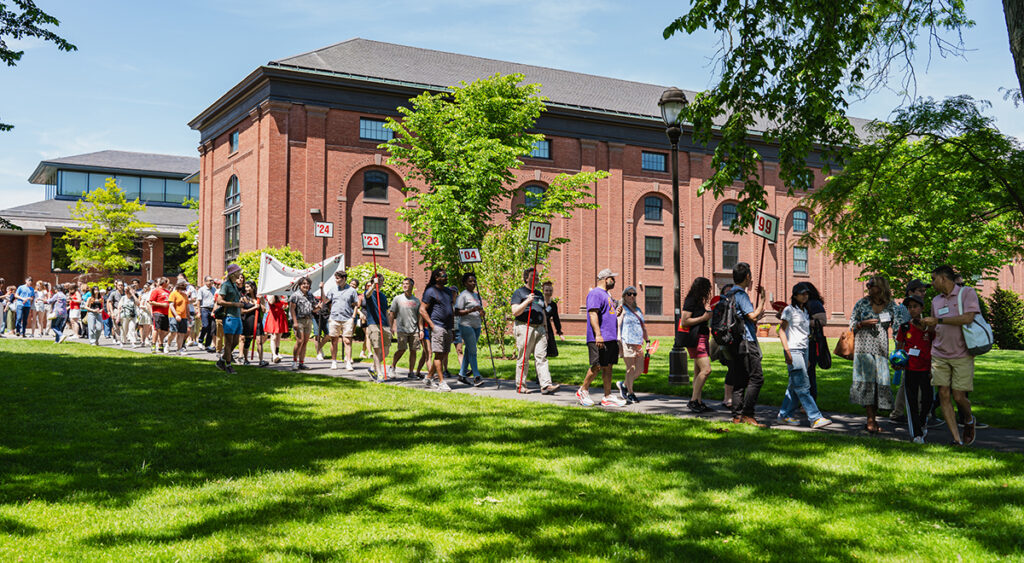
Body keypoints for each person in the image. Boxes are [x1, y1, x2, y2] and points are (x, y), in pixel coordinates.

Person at [920, 265, 981, 446]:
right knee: (944, 394)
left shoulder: (967, 293)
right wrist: (923, 324)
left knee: (959, 396)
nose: (932, 283)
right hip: (939, 353)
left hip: (962, 353)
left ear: (943, 279)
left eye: (933, 279)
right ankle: (956, 439)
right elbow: (933, 326)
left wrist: (938, 320)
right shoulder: (936, 301)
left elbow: (968, 318)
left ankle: (969, 420)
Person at [849, 275, 905, 434]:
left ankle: (873, 419)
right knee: (867, 384)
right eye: (868, 285)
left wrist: (898, 352)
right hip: (863, 350)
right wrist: (862, 324)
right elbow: (851, 324)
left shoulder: (891, 307)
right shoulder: (862, 303)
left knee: (878, 385)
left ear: (881, 287)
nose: (868, 288)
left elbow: (898, 331)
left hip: (880, 351)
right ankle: (870, 420)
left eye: (871, 285)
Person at [777, 283, 833, 429]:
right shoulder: (789, 310)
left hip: (804, 350)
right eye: (802, 294)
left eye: (806, 294)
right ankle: (815, 417)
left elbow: (805, 334)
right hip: (793, 349)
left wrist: (807, 357)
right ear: (795, 295)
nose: (805, 296)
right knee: (802, 385)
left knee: (794, 385)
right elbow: (781, 331)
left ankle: (784, 415)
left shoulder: (805, 311)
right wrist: (787, 352)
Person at [725, 263, 767, 426]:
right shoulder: (741, 295)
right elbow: (752, 315)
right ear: (748, 277)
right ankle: (748, 414)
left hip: (734, 342)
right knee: (757, 378)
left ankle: (736, 416)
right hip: (746, 341)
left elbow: (749, 318)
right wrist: (762, 299)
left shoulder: (729, 294)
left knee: (740, 379)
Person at [578, 269, 624, 407]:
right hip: (598, 337)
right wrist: (598, 335)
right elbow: (593, 314)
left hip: (610, 338)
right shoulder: (595, 293)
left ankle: (607, 396)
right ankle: (583, 390)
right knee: (597, 366)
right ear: (605, 279)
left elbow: (605, 314)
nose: (614, 281)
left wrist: (615, 313)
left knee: (608, 366)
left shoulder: (606, 295)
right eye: (612, 278)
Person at [511, 268, 559, 395]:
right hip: (524, 327)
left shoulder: (539, 293)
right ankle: (520, 385)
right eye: (534, 276)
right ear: (527, 278)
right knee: (524, 358)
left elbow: (543, 311)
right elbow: (515, 311)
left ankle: (546, 385)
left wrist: (546, 330)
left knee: (541, 357)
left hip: (540, 329)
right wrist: (527, 300)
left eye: (538, 276)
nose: (537, 278)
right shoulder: (519, 292)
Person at [895, 294, 934, 444]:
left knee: (927, 399)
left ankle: (923, 421)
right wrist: (897, 361)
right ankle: (916, 433)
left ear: (922, 308)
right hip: (910, 368)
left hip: (927, 369)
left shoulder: (929, 327)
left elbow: (934, 346)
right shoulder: (905, 327)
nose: (912, 309)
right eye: (909, 307)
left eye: (915, 306)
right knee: (911, 402)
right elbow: (899, 348)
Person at [681, 277, 714, 413]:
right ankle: (693, 401)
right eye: (707, 288)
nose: (709, 291)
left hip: (703, 337)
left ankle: (699, 402)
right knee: (706, 370)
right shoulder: (691, 300)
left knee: (697, 372)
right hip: (696, 339)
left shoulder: (699, 301)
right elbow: (684, 321)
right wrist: (704, 318)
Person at [420, 268, 454, 392]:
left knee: (444, 354)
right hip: (438, 326)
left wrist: (453, 328)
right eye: (444, 275)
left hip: (448, 327)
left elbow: (451, 309)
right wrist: (432, 325)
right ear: (437, 278)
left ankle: (428, 377)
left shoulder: (448, 291)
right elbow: (422, 310)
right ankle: (441, 382)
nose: (446, 277)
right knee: (438, 354)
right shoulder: (430, 291)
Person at [616, 285, 648, 404]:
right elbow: (618, 325)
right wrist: (619, 339)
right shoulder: (622, 308)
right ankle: (630, 393)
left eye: (634, 294)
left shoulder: (638, 310)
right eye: (629, 294)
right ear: (624, 296)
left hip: (638, 343)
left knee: (640, 369)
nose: (632, 296)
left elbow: (643, 327)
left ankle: (623, 384)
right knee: (631, 368)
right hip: (627, 341)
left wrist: (648, 341)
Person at [324, 270, 359, 371]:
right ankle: (334, 361)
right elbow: (326, 301)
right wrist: (322, 289)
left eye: (338, 278)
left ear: (344, 279)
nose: (336, 280)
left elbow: (356, 304)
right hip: (334, 318)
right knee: (334, 341)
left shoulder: (352, 291)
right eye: (336, 278)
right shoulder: (333, 289)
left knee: (347, 341)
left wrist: (353, 316)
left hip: (347, 318)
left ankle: (348, 362)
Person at [388, 277, 422, 378]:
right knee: (401, 349)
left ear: (412, 286)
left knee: (413, 350)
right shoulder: (398, 299)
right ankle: (392, 367)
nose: (405, 285)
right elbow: (392, 313)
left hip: (414, 330)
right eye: (403, 284)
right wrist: (391, 327)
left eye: (407, 284)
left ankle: (411, 372)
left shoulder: (416, 301)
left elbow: (419, 316)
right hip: (402, 329)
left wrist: (421, 330)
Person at [455, 272, 485, 386]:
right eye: (470, 281)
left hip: (477, 325)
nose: (473, 283)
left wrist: (482, 312)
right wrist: (471, 310)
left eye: (474, 281)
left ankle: (462, 375)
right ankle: (476, 376)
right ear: (465, 283)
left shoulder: (477, 295)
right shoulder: (463, 295)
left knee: (468, 350)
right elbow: (457, 311)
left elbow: (481, 310)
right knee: (473, 351)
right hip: (466, 325)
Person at [216, 264, 245, 374]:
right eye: (238, 271)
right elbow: (219, 301)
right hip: (229, 317)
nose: (240, 273)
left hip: (237, 317)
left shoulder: (234, 285)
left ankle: (222, 360)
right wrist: (234, 304)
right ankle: (228, 365)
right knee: (228, 342)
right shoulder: (226, 285)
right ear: (233, 273)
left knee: (235, 342)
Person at [362, 273, 391, 381]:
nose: (380, 282)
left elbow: (386, 312)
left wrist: (390, 326)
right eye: (378, 280)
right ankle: (379, 374)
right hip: (373, 324)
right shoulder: (369, 292)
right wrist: (373, 285)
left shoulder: (383, 296)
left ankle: (373, 368)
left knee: (386, 351)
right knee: (377, 350)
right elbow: (368, 294)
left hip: (385, 325)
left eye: (381, 280)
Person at [802, 282, 828, 400]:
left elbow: (822, 321)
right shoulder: (799, 305)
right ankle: (802, 401)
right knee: (801, 373)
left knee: (809, 372)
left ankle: (810, 400)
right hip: (800, 343)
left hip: (812, 343)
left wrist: (802, 322)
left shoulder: (815, 304)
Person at [288, 276, 319, 371]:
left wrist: (319, 307)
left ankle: (301, 363)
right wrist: (295, 322)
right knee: (299, 341)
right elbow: (292, 309)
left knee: (305, 342)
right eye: (304, 284)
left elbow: (314, 309)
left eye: (307, 284)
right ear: (300, 285)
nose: (306, 285)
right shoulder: (295, 295)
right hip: (299, 320)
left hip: (308, 320)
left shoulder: (310, 295)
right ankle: (294, 362)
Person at [241, 280, 269, 367]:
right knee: (247, 341)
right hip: (248, 321)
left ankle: (261, 360)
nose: (247, 289)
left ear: (253, 287)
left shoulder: (258, 298)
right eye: (245, 287)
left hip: (258, 322)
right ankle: (245, 359)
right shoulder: (244, 298)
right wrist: (254, 308)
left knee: (259, 341)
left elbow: (264, 311)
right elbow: (242, 311)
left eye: (248, 287)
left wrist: (261, 302)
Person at [719, 283, 736, 407]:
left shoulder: (736, 306)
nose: (729, 294)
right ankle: (727, 398)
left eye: (732, 292)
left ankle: (733, 398)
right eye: (727, 292)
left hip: (738, 341)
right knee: (732, 368)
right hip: (726, 341)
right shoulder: (720, 307)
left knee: (736, 370)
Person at [541, 281, 564, 358]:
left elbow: (556, 319)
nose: (548, 292)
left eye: (550, 290)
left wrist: (559, 332)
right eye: (546, 290)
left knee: (551, 351)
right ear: (543, 291)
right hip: (539, 326)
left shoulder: (553, 305)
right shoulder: (539, 302)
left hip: (548, 327)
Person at [263, 294, 289, 363]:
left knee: (279, 336)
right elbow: (271, 302)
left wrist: (285, 306)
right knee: (274, 336)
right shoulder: (271, 294)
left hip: (280, 315)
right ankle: (274, 354)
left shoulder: (282, 294)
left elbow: (285, 304)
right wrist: (276, 295)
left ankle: (276, 353)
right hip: (273, 315)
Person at [149, 278, 172, 353]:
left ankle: (160, 343)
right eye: (167, 282)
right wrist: (162, 304)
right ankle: (153, 345)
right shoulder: (156, 290)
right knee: (157, 329)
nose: (169, 284)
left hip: (166, 313)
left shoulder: (168, 291)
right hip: (158, 312)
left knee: (165, 330)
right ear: (164, 283)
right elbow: (151, 301)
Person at [168, 280, 191, 354]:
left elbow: (187, 307)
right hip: (174, 316)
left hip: (183, 316)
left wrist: (188, 316)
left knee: (181, 333)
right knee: (173, 332)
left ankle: (179, 349)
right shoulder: (173, 293)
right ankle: (167, 345)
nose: (185, 287)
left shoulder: (185, 295)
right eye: (184, 286)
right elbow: (171, 306)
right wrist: (176, 315)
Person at [198, 276, 217, 353]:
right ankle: (200, 340)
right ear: (205, 282)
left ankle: (207, 345)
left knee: (211, 328)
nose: (211, 282)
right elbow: (199, 301)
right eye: (209, 281)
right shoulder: (201, 290)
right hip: (204, 309)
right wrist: (198, 312)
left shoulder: (214, 289)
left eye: (212, 280)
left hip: (212, 310)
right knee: (205, 325)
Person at [138, 281, 154, 348]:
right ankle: (143, 340)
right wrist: (144, 308)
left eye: (146, 287)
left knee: (149, 327)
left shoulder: (150, 294)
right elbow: (140, 304)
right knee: (144, 327)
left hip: (149, 312)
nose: (144, 289)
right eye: (144, 287)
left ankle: (146, 339)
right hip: (144, 312)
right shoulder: (143, 295)